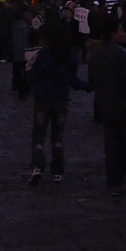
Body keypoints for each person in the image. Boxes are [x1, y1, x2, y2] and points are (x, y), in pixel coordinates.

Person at [26, 22, 89, 185]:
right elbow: (74, 82)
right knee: (58, 136)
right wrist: (88, 86)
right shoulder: (70, 57)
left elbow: (32, 77)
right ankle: (57, 171)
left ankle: (37, 166)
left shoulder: (44, 55)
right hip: (60, 100)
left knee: (39, 134)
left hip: (43, 99)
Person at [87, 18, 126, 195]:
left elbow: (91, 80)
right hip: (124, 105)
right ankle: (119, 177)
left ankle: (112, 179)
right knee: (123, 144)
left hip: (105, 105)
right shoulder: (122, 53)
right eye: (120, 30)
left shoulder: (95, 54)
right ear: (112, 34)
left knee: (110, 144)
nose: (123, 33)